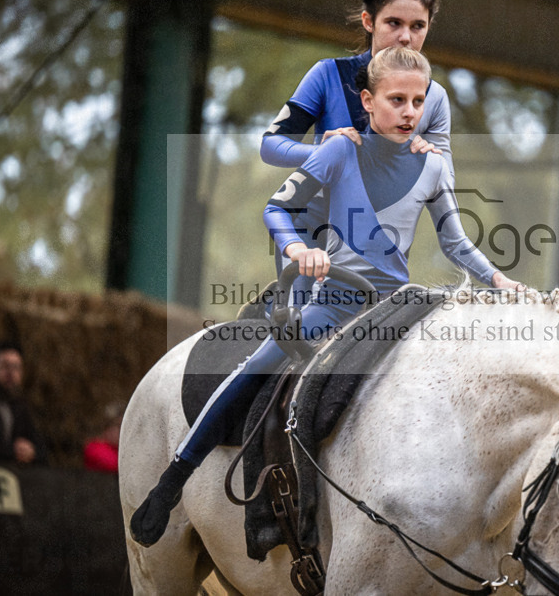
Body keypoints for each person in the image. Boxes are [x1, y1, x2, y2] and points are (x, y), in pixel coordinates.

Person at [130, 47, 522, 547]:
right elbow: (278, 208)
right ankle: (173, 479)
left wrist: (497, 280)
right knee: (257, 368)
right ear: (367, 100)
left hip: (396, 309)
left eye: (417, 102)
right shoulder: (339, 150)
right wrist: (298, 249)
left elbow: (454, 241)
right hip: (335, 300)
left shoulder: (434, 165)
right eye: (396, 99)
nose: (408, 112)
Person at [260, 0, 451, 307]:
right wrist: (325, 151)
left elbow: (444, 182)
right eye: (394, 23)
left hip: (378, 242)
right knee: (298, 336)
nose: (406, 37)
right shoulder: (326, 74)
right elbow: (270, 145)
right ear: (368, 21)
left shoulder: (434, 98)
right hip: (312, 230)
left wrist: (426, 157)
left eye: (417, 26)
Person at [84, 401, 124, 473]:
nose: (122, 432)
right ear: (107, 428)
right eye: (119, 427)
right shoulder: (94, 448)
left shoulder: (120, 450)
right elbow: (118, 465)